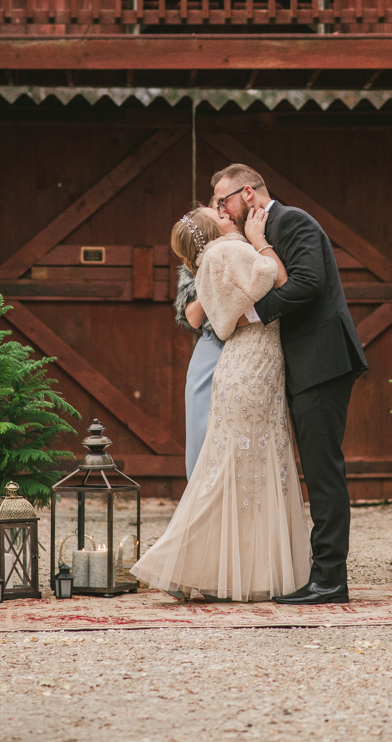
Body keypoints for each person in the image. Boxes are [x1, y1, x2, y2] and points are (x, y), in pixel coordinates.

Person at [131, 204, 310, 602]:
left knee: (235, 464)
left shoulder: (215, 256)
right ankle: (189, 563)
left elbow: (226, 311)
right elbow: (273, 278)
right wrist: (262, 244)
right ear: (216, 227)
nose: (226, 210)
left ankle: (225, 569)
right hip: (248, 362)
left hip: (248, 361)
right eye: (219, 210)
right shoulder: (228, 250)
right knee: (232, 463)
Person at [211, 163, 367, 606]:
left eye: (223, 200)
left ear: (247, 192)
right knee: (315, 469)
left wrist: (253, 316)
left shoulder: (292, 220)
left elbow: (309, 283)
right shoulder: (261, 230)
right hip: (302, 364)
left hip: (323, 361)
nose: (220, 209)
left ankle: (330, 579)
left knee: (323, 471)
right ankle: (320, 574)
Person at [173, 249, 223, 480]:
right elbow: (192, 317)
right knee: (199, 427)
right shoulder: (196, 262)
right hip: (212, 344)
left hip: (254, 346)